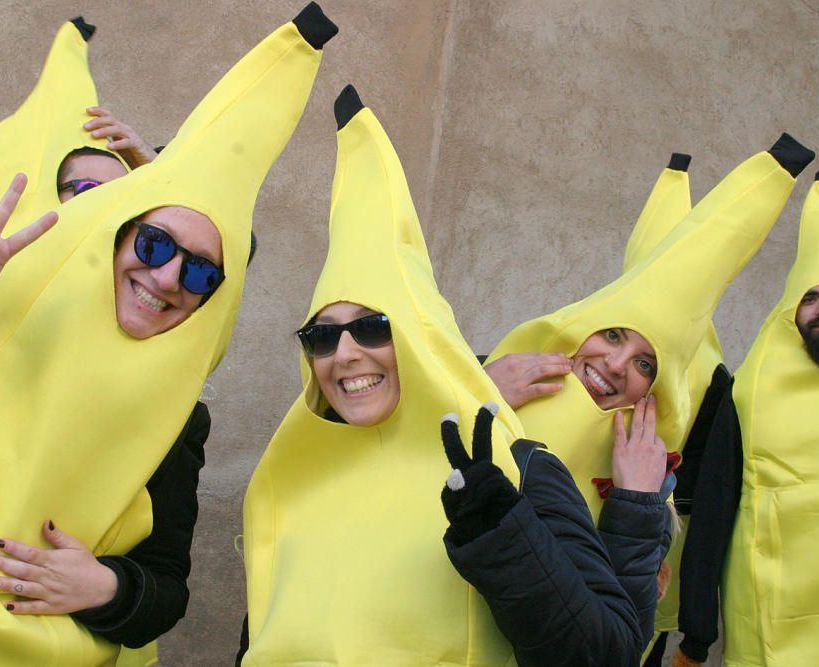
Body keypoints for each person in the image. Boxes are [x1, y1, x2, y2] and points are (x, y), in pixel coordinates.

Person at [0, 5, 336, 664]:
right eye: (155, 243)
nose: (167, 276)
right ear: (117, 234)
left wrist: (106, 586)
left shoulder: (177, 419)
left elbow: (165, 588)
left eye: (201, 269)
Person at [240, 85, 662, 667]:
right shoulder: (293, 472)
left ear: (418, 340)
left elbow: (607, 653)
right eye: (320, 335)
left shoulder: (521, 468)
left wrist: (503, 531)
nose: (344, 353)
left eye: (372, 328)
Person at [485, 134, 816, 659]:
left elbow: (617, 642)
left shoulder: (649, 488)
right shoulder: (488, 374)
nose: (616, 365)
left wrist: (637, 507)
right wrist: (472, 397)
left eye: (645, 364)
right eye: (613, 335)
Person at [674, 169, 819, 667]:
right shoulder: (748, 392)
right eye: (810, 299)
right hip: (768, 613)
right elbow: (714, 509)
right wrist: (696, 634)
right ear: (788, 314)